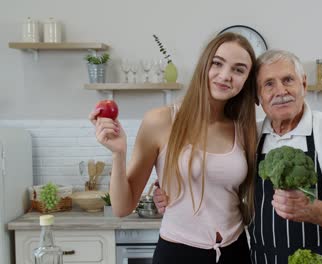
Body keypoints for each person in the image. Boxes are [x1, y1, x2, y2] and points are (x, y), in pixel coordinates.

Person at [154, 49, 322, 264]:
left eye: (288, 80)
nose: (280, 91)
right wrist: (168, 188)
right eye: (269, 84)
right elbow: (220, 183)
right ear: (257, 98)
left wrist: (312, 210)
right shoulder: (249, 135)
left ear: (303, 85)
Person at [89, 32, 258, 264]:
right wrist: (118, 153)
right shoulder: (161, 121)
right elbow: (122, 207)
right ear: (204, 65)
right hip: (178, 254)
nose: (225, 75)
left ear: (247, 79)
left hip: (235, 252)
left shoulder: (245, 129)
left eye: (239, 70)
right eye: (217, 63)